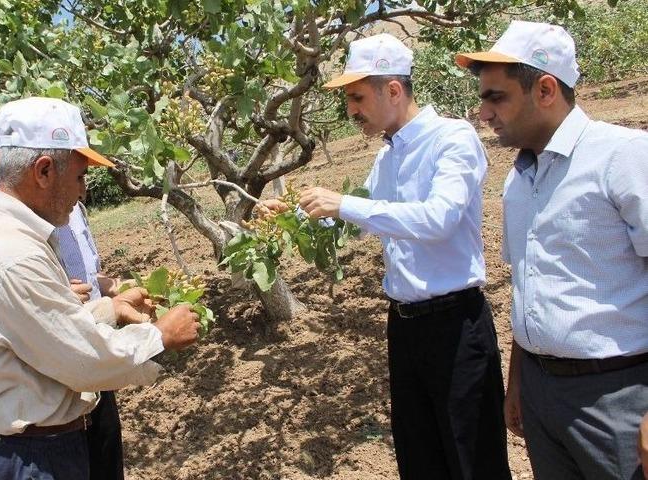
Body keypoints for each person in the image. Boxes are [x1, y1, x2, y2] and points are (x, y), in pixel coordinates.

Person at [264, 34, 510, 479]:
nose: (351, 111)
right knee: (420, 457)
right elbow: (364, 221)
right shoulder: (386, 159)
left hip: (457, 329)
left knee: (473, 461)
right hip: (405, 327)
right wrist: (295, 216)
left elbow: (438, 219)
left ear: (393, 90)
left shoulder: (452, 139)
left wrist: (343, 203)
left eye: (357, 97)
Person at [0, 96, 201, 479]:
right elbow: (82, 360)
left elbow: (36, 327)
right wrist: (159, 335)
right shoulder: (13, 253)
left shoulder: (3, 232)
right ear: (44, 171)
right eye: (79, 177)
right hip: (28, 459)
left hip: (23, 449)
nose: (82, 192)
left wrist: (110, 309)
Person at [456, 20, 648, 480]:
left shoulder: (623, 157)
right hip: (542, 395)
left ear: (545, 89)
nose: (484, 113)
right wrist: (519, 381)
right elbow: (527, 284)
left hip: (618, 398)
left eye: (496, 97)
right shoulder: (520, 178)